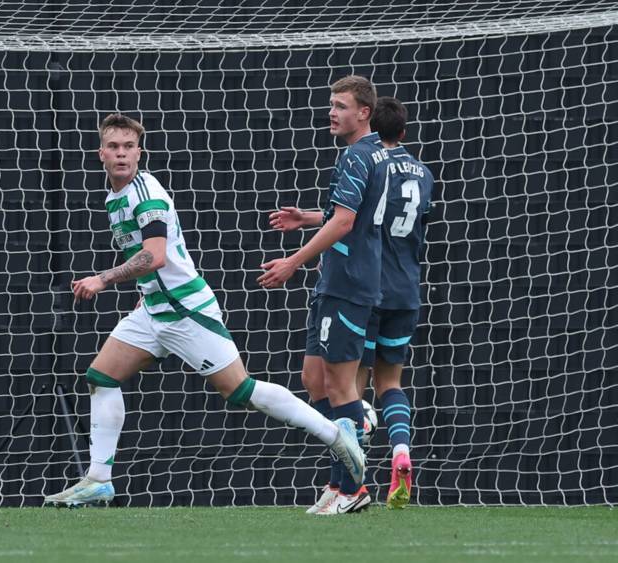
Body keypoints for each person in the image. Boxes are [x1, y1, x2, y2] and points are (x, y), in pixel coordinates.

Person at [44, 113, 365, 508]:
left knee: (241, 390)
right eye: (114, 147)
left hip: (185, 309)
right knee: (101, 376)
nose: (122, 154)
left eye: (129, 147)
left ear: (140, 153)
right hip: (154, 311)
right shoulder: (116, 196)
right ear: (101, 154)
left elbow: (155, 257)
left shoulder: (147, 196)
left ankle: (337, 435)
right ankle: (99, 479)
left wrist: (102, 279)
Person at [261, 76, 390, 515]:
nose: (332, 112)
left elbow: (345, 224)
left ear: (364, 113)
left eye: (340, 106)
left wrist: (292, 261)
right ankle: (343, 467)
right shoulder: (376, 153)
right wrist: (309, 217)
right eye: (330, 105)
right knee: (313, 380)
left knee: (337, 385)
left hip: (348, 284)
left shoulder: (358, 154)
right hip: (337, 281)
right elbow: (350, 214)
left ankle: (352, 485)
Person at [355, 97, 434, 509]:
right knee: (391, 383)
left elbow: (353, 219)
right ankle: (401, 450)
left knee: (354, 384)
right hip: (407, 289)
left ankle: (354, 480)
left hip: (370, 288)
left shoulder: (369, 163)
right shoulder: (424, 172)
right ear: (403, 132)